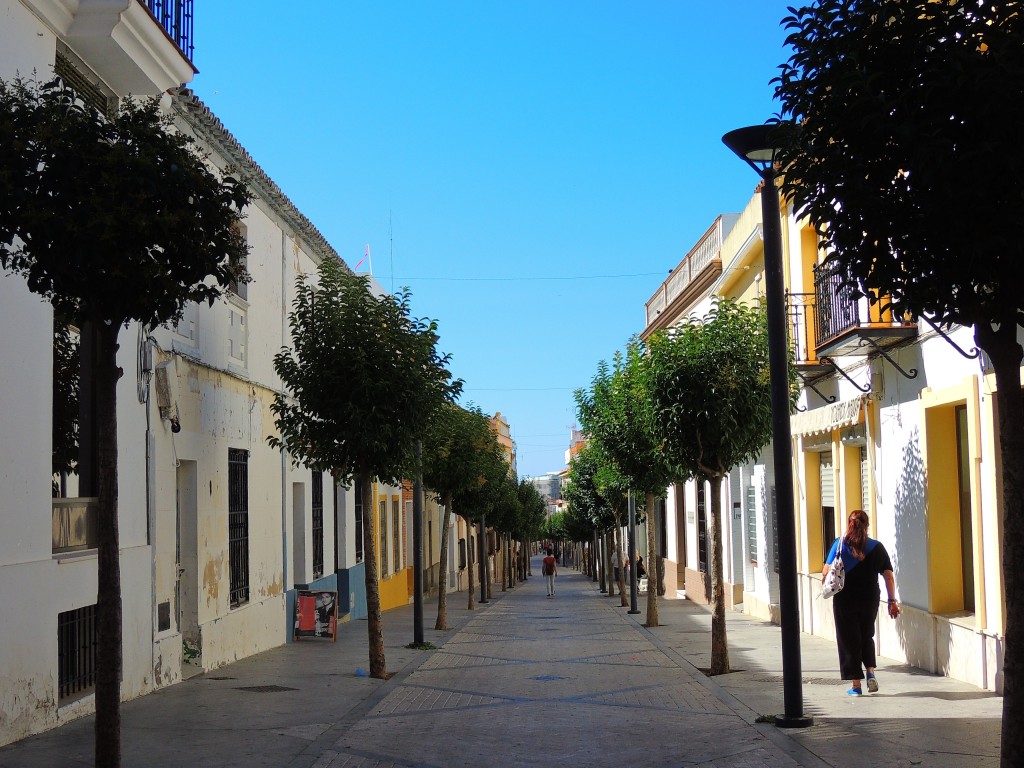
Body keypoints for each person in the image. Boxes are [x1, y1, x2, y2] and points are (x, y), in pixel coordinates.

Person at [822, 509, 901, 695]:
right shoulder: (877, 547)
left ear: (849, 524)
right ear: (867, 525)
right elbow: (888, 576)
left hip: (844, 599)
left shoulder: (839, 545)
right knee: (866, 635)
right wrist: (892, 601)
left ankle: (856, 685)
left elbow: (826, 571)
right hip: (870, 598)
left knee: (848, 639)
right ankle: (871, 673)